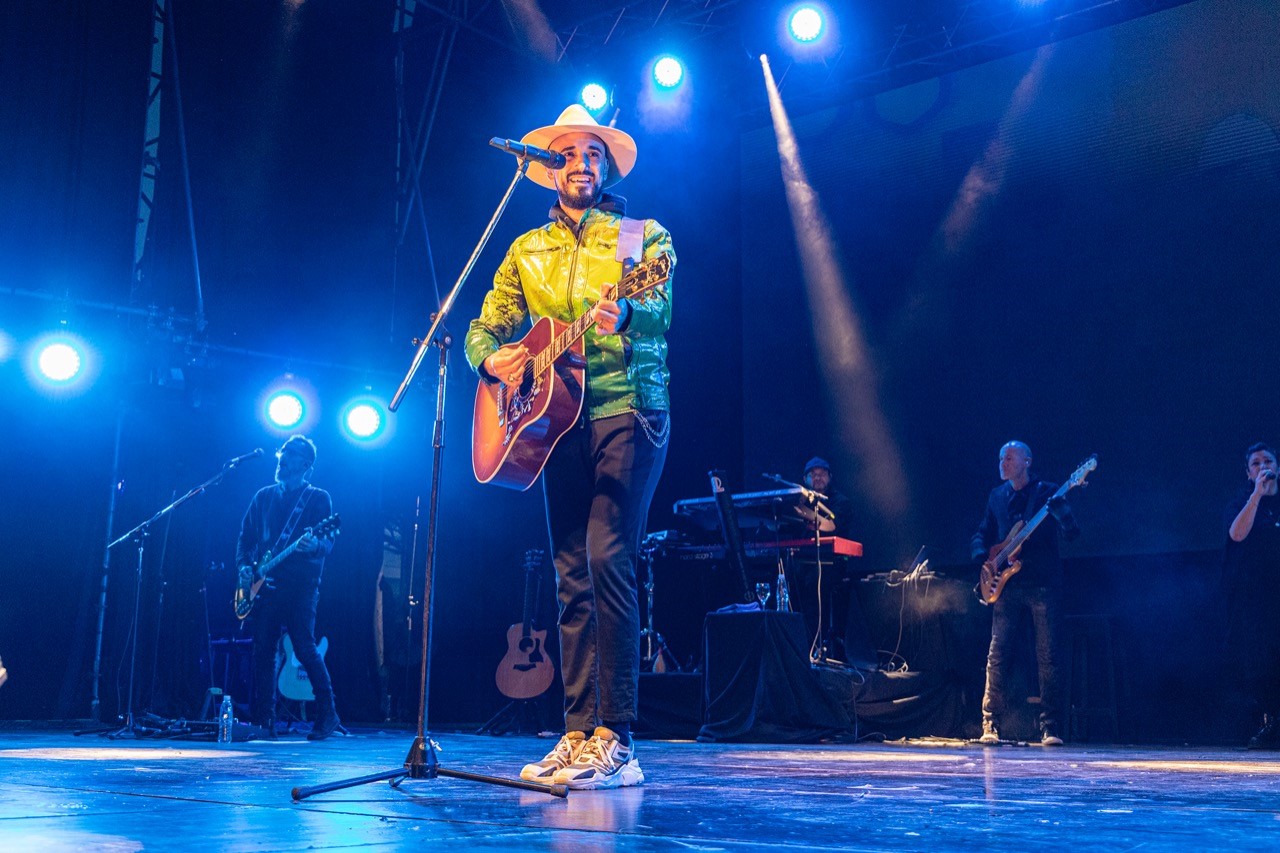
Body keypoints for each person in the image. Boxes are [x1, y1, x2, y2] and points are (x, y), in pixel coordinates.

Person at [464, 105, 674, 789]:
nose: (583, 163)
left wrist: (628, 309)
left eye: (594, 153)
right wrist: (489, 358)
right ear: (551, 166)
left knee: (609, 557)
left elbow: (661, 306)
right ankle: (579, 731)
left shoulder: (640, 236)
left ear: (606, 167)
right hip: (555, 419)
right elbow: (487, 324)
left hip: (627, 406)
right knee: (570, 572)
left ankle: (618, 737)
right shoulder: (526, 249)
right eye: (571, 153)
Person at [971, 440, 1079, 746]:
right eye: (1000, 458)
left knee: (1048, 655)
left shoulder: (1048, 493)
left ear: (1027, 461)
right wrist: (984, 558)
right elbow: (982, 533)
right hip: (1007, 584)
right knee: (997, 654)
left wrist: (1063, 514)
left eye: (1009, 458)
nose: (1002, 463)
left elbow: (1072, 534)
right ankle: (990, 723)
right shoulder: (996, 496)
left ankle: (1050, 726)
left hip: (1042, 582)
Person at [236, 434, 342, 741]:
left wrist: (314, 546)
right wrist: (244, 567)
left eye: (290, 454)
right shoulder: (263, 497)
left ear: (306, 465)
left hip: (300, 587)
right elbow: (245, 539)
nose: (282, 458)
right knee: (263, 652)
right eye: (282, 453)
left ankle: (328, 714)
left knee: (305, 647)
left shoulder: (318, 498)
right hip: (265, 586)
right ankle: (264, 720)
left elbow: (327, 542)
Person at [1222, 442, 1280, 749]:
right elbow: (1237, 534)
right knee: (1261, 664)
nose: (1263, 466)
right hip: (1256, 600)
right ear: (1248, 473)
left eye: (1268, 460)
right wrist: (1257, 494)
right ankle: (1271, 724)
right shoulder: (1243, 501)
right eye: (1256, 463)